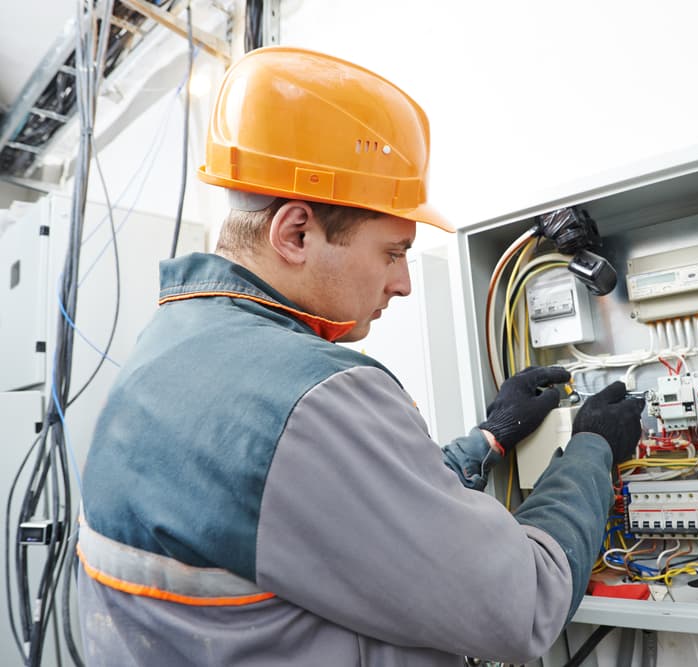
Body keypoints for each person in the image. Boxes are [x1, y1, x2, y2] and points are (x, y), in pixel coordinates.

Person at [78, 46, 644, 666]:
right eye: (393, 252)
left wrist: (489, 438)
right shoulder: (312, 395)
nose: (402, 283)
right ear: (296, 233)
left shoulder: (171, 346)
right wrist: (593, 449)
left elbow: (338, 516)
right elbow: (525, 602)